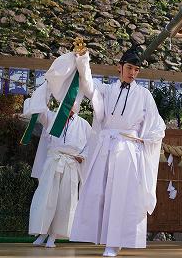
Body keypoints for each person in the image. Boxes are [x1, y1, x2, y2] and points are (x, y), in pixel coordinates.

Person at [69, 46, 166, 257]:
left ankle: (114, 242)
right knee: (100, 193)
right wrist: (83, 60)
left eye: (137, 70)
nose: (133, 73)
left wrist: (143, 139)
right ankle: (103, 238)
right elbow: (87, 86)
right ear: (119, 68)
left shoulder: (144, 94)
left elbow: (158, 126)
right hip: (106, 146)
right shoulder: (107, 90)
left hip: (128, 149)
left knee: (121, 195)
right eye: (129, 68)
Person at [23, 59, 91, 248]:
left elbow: (91, 145)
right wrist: (48, 83)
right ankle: (41, 233)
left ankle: (54, 236)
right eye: (66, 103)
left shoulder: (84, 124)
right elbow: (36, 108)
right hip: (53, 161)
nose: (69, 107)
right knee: (46, 197)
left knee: (66, 201)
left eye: (72, 104)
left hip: (71, 164)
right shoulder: (51, 117)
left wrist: (83, 156)